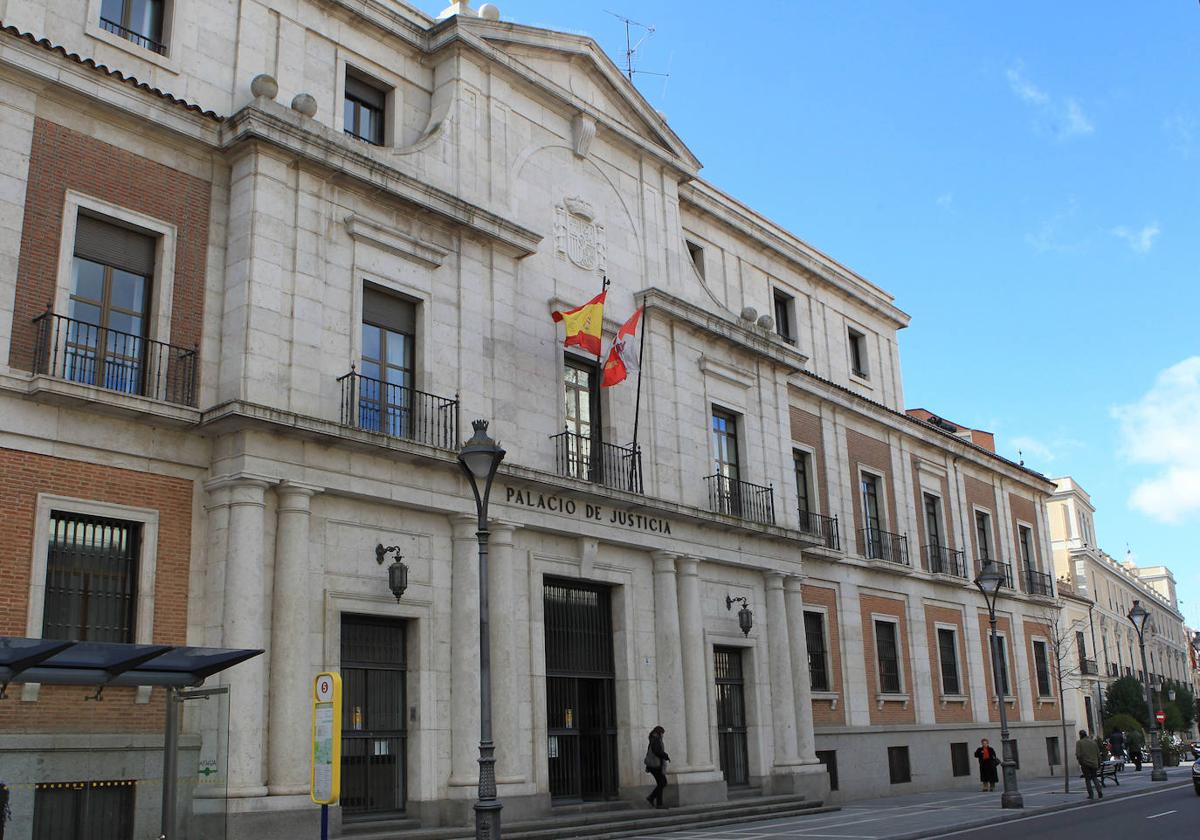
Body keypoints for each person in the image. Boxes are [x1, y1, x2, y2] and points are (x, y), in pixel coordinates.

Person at [644, 725, 671, 808]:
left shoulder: (653, 739)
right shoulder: (656, 740)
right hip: (656, 766)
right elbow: (657, 751)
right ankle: (653, 799)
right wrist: (666, 756)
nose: (663, 735)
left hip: (654, 766)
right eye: (662, 733)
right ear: (659, 732)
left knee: (661, 783)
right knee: (662, 783)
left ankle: (657, 802)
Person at [1076, 729, 1103, 800]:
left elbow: (1078, 754)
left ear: (1080, 735)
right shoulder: (1093, 742)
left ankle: (1091, 794)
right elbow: (1098, 754)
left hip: (1085, 764)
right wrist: (1099, 762)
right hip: (1094, 763)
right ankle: (1099, 791)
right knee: (1094, 778)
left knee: (1087, 779)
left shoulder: (1079, 743)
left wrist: (1080, 760)